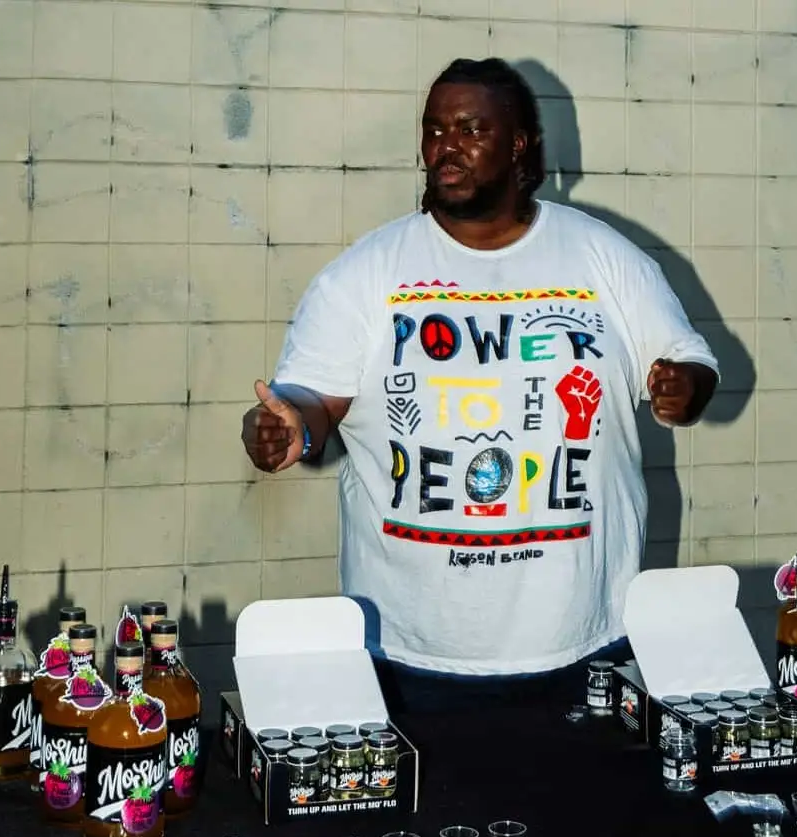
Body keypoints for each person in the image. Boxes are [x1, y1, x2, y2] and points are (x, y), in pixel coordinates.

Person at [240, 58, 718, 712]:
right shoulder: (367, 272)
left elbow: (686, 363)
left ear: (518, 144)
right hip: (409, 648)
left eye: (470, 129)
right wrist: (289, 427)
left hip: (584, 637)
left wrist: (683, 388)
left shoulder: (600, 256)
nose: (447, 147)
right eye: (435, 130)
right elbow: (314, 401)